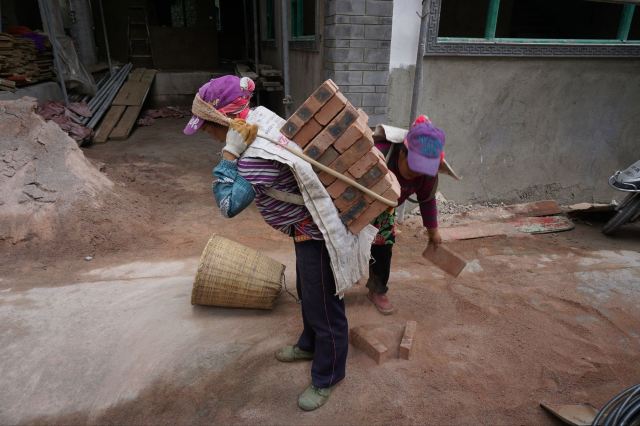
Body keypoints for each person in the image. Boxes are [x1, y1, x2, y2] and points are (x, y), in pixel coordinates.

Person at [184, 75, 348, 411]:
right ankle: (308, 344)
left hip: (316, 234)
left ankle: (328, 375)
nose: (205, 133)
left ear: (227, 121)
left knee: (324, 307)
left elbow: (228, 206)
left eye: (207, 126)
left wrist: (229, 155)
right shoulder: (260, 116)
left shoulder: (255, 156)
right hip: (304, 231)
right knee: (308, 293)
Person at [366, 115, 444, 314]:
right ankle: (326, 290)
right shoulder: (380, 155)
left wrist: (433, 231)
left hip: (385, 209)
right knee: (342, 246)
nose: (416, 175)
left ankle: (377, 289)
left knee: (383, 247)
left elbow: (427, 200)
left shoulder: (427, 174)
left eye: (422, 171)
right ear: (402, 153)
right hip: (358, 201)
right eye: (412, 167)